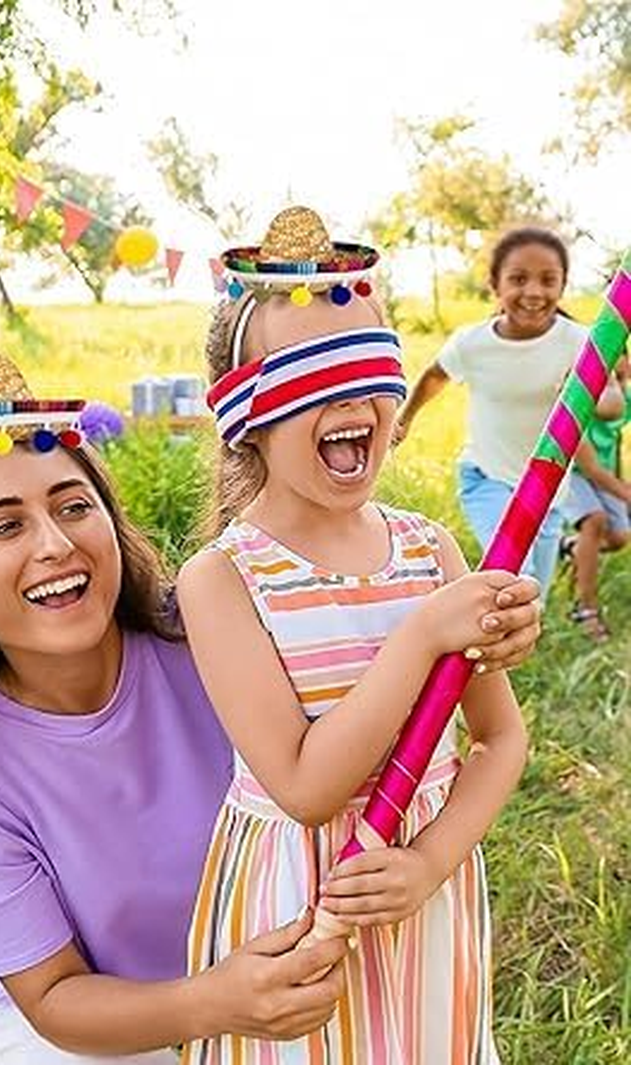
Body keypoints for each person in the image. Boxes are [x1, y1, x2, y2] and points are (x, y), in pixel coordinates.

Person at [0, 354, 357, 1065]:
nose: (55, 544)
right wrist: (220, 1001)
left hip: (268, 971)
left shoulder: (208, 638)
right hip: (91, 1030)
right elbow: (55, 997)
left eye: (73, 506)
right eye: (5, 527)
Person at [176, 207, 539, 1063]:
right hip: (300, 905)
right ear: (246, 415)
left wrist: (429, 863)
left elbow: (499, 737)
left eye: (365, 370)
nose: (348, 400)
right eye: (309, 380)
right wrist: (421, 639)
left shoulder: (429, 549)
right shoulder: (223, 579)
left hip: (421, 898)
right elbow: (303, 784)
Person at [394, 226, 587, 601]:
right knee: (517, 576)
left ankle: (514, 655)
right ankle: (473, 648)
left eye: (548, 280)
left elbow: (611, 400)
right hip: (487, 478)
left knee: (535, 597)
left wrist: (582, 394)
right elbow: (435, 377)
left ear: (563, 287)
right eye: (518, 279)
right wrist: (405, 418)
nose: (533, 291)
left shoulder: (577, 341)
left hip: (550, 488)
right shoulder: (473, 343)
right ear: (494, 285)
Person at [561, 356, 631, 640]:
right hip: (571, 471)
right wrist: (625, 493)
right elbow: (589, 467)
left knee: (620, 537)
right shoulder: (576, 403)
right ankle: (584, 608)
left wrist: (622, 482)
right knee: (595, 521)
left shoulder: (622, 394)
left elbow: (614, 442)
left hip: (604, 473)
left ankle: (572, 548)